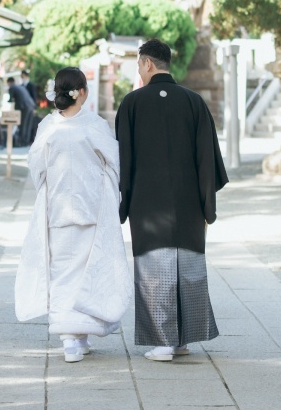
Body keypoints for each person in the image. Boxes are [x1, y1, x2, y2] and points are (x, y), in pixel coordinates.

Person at [115, 38, 228, 363]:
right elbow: (208, 158)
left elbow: (124, 157)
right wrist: (207, 204)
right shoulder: (193, 101)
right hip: (189, 203)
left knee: (154, 268)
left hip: (148, 205)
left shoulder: (132, 103)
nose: (139, 69)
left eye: (139, 64)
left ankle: (163, 342)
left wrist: (123, 204)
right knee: (188, 266)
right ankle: (182, 340)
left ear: (148, 64)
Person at [15, 68, 129, 363]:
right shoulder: (94, 125)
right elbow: (114, 163)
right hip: (90, 207)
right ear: (82, 92)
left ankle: (73, 339)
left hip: (58, 207)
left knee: (62, 271)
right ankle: (76, 336)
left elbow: (36, 166)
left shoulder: (48, 127)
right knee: (89, 271)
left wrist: (49, 187)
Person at [6, 76, 37, 147]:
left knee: (23, 124)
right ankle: (26, 141)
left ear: (9, 83)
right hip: (31, 105)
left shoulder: (12, 87)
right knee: (28, 125)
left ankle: (21, 142)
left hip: (24, 107)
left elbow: (10, 100)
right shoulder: (21, 87)